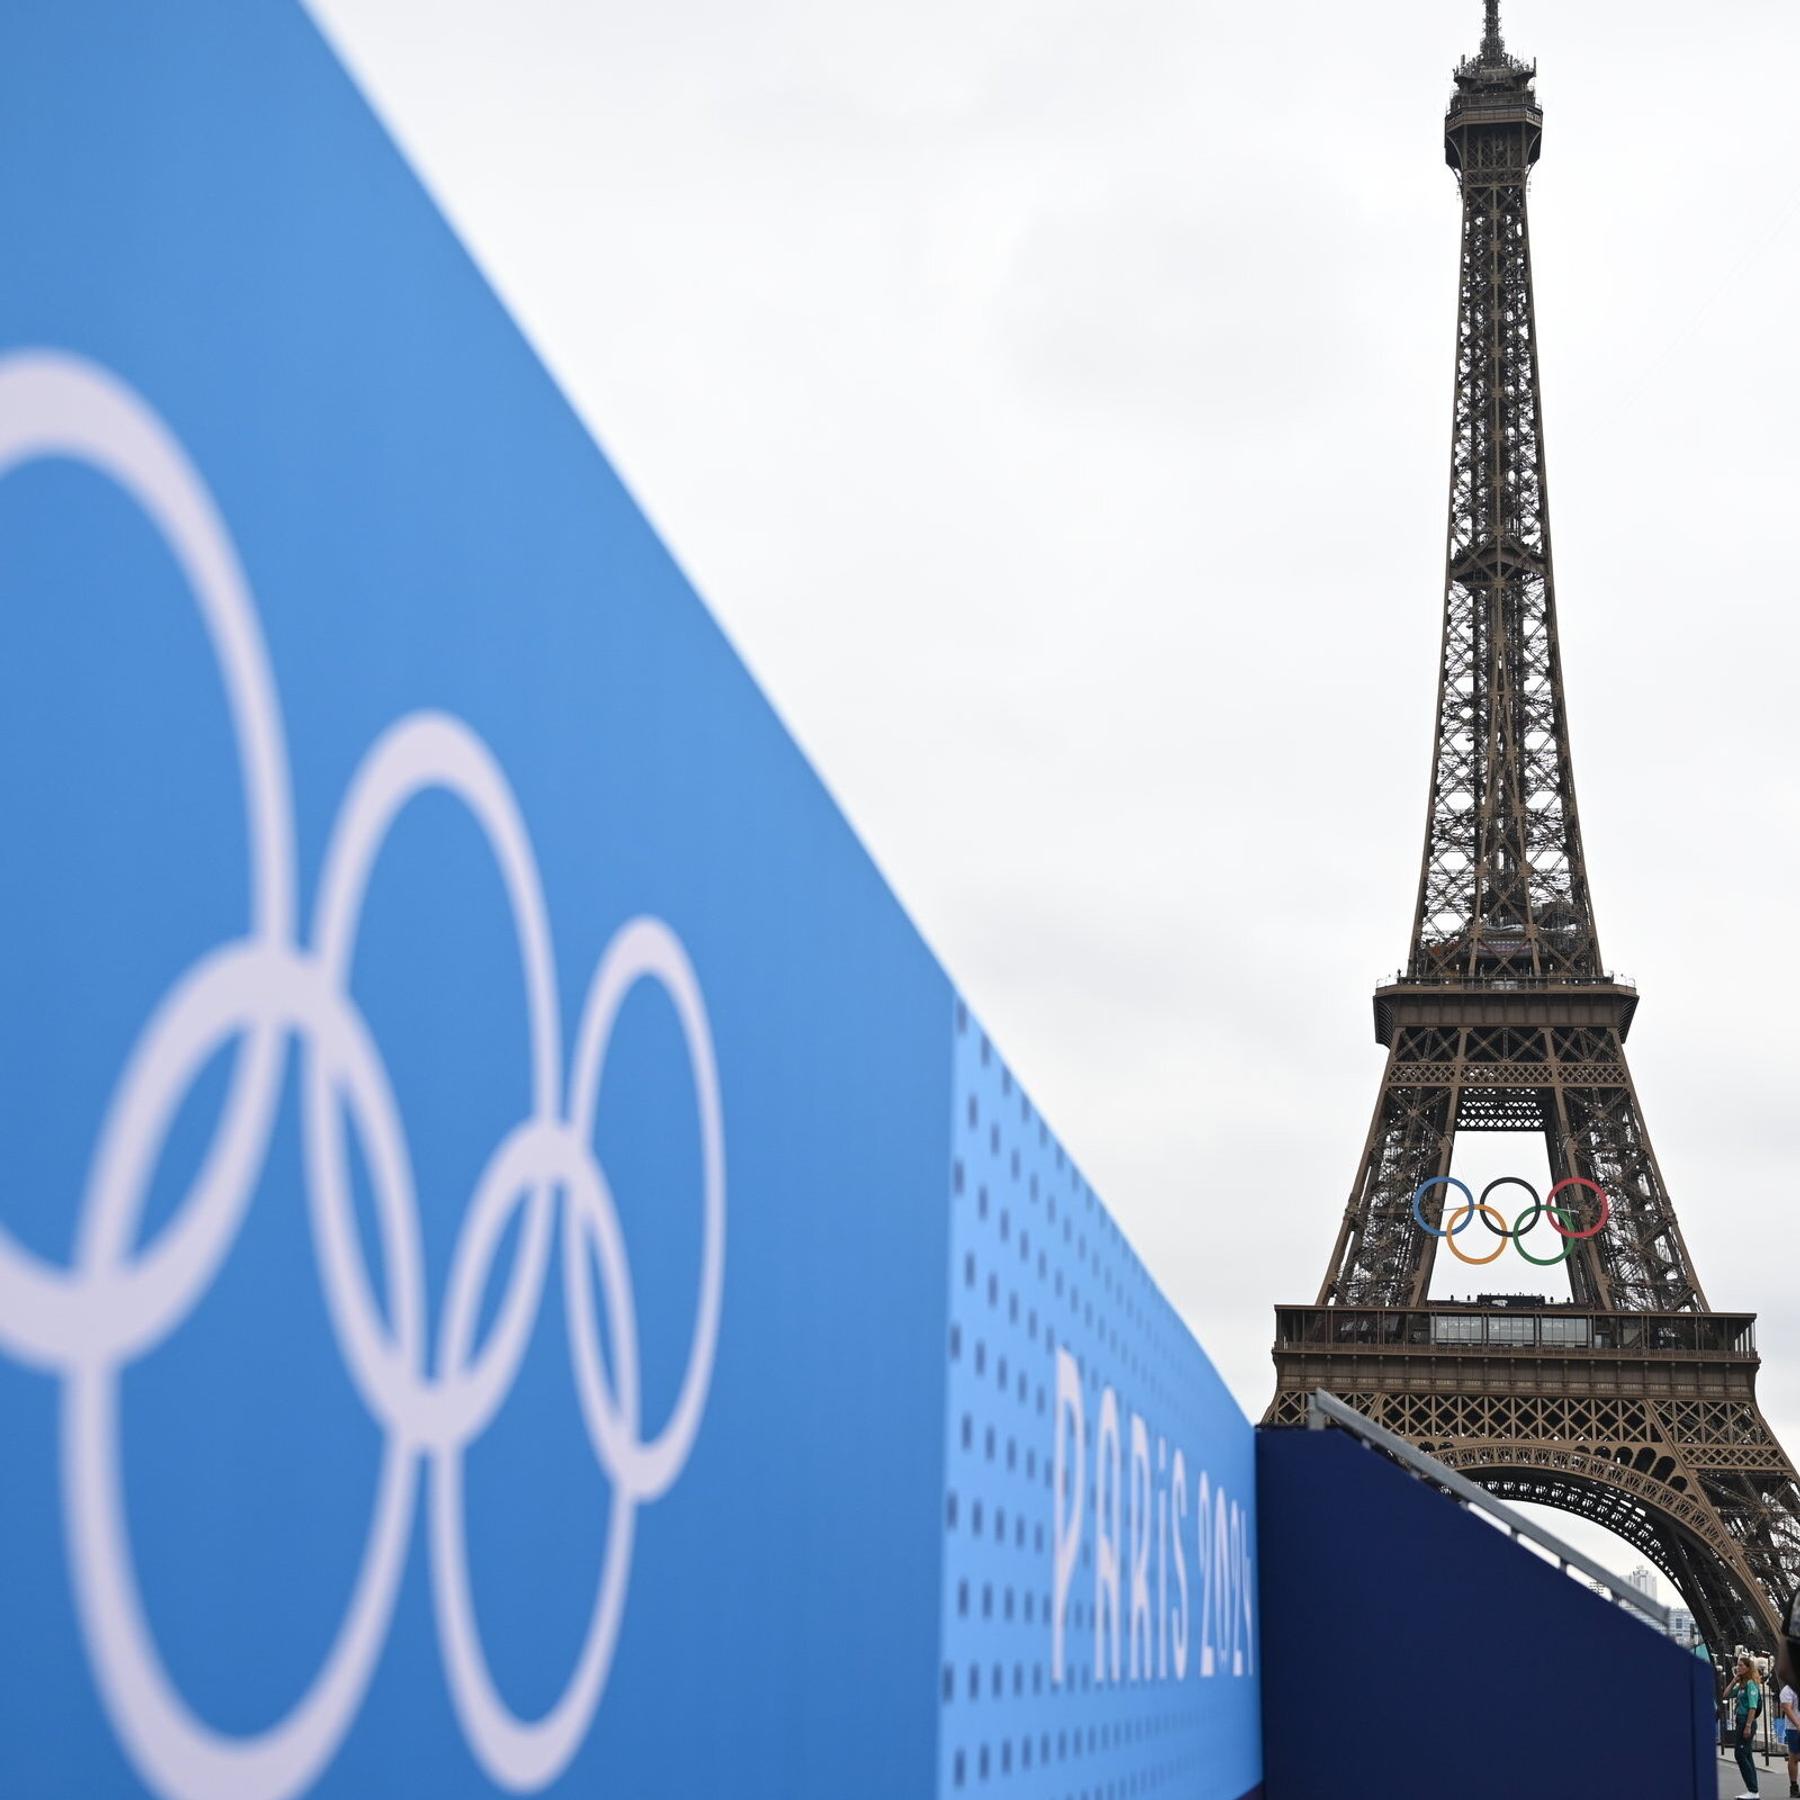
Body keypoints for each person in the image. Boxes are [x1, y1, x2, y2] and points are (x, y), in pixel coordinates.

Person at [1733, 1652, 1766, 1798]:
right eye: (1738, 1665)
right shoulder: (1742, 1685)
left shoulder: (1751, 1684)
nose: (1738, 1667)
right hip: (1741, 1721)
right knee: (1747, 1755)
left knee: (1739, 1754)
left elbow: (1752, 1707)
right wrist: (1734, 1681)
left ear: (1747, 1668)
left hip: (1746, 1722)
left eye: (1740, 1665)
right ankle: (1754, 1791)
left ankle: (1752, 1790)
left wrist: (1747, 1725)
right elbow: (1726, 1695)